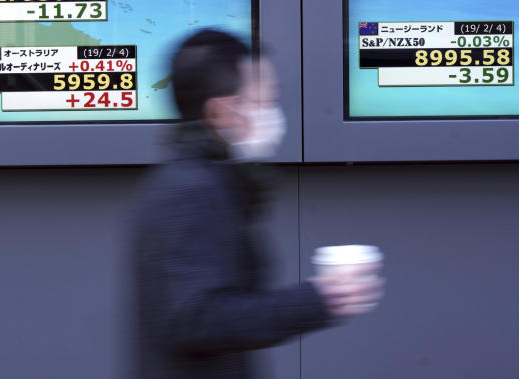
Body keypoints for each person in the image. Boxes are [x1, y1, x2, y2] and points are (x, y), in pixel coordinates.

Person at [130, 29, 383, 379]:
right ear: (220, 112)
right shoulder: (190, 191)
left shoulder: (210, 181)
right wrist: (320, 297)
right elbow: (198, 318)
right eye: (263, 101)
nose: (273, 114)